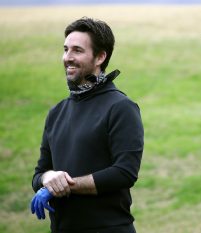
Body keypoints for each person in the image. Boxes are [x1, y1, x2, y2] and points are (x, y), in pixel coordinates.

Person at [30, 17, 144, 233]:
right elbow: (39, 174)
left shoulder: (121, 107)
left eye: (77, 51)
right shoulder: (56, 112)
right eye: (65, 49)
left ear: (100, 57)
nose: (67, 58)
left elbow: (125, 172)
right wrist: (49, 178)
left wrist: (66, 185)